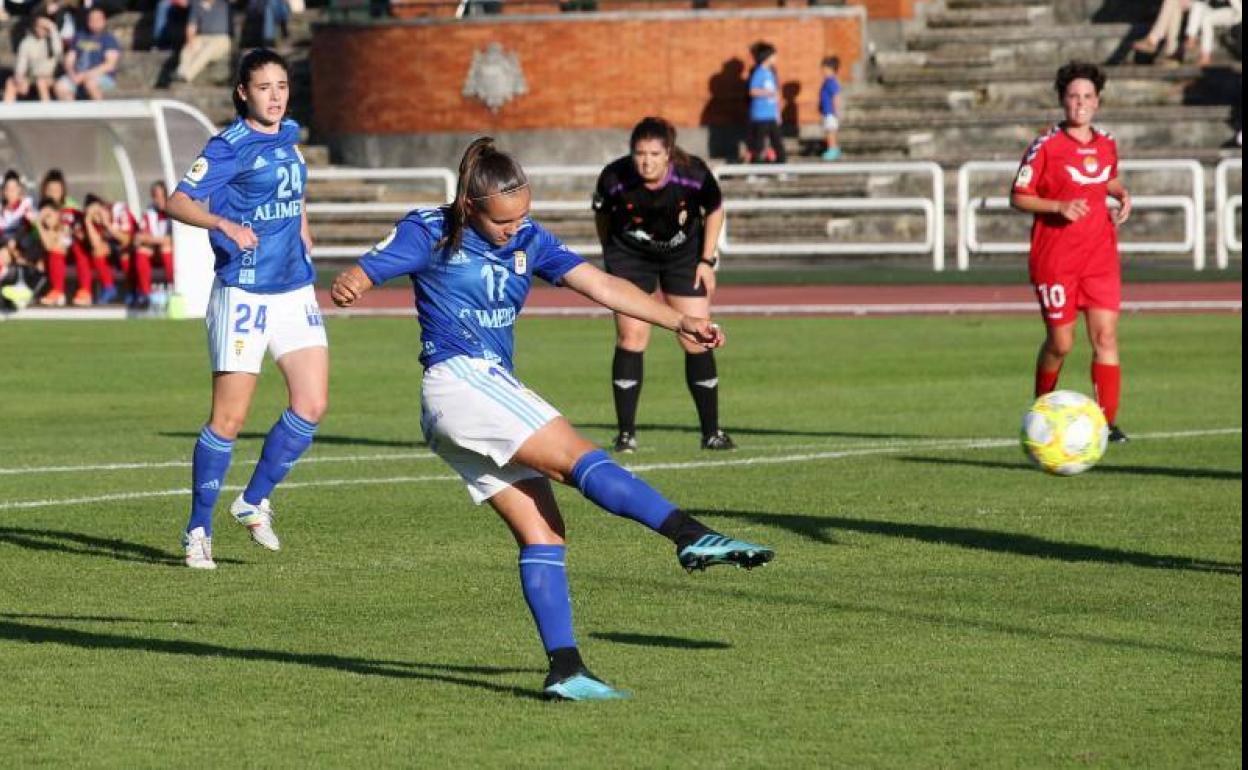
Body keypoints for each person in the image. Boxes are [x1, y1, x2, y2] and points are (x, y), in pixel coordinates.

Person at [329, 137, 774, 702]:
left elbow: (603, 285)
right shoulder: (432, 230)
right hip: (461, 380)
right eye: (503, 220)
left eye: (522, 215)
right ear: (469, 206)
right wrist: (354, 281)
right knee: (577, 457)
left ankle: (566, 669)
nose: (515, 227)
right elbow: (366, 268)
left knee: (544, 531)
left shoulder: (530, 239)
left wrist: (677, 321)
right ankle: (690, 534)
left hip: (468, 400)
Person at [165, 48, 327, 570]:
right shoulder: (228, 146)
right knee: (230, 418)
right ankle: (198, 529)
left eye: (282, 85)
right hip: (245, 292)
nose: (275, 97)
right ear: (243, 92)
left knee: (311, 403)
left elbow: (294, 194)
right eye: (264, 87)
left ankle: (253, 500)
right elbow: (178, 200)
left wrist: (303, 230)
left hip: (294, 289)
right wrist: (224, 225)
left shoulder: (289, 135)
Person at [592, 117, 734, 453]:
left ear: (668, 153)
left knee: (696, 337)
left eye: (654, 154)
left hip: (683, 257)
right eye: (640, 153)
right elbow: (602, 215)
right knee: (632, 336)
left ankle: (711, 433)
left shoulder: (693, 174)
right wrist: (611, 255)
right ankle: (626, 435)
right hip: (631, 257)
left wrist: (707, 260)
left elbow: (715, 210)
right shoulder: (614, 178)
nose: (646, 161)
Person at [1010, 61, 1132, 443]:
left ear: (1098, 102)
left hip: (1100, 257)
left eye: (1087, 96)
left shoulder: (1106, 143)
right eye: (1073, 96)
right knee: (1061, 343)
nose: (1080, 103)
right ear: (1063, 101)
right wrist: (1058, 207)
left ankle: (1107, 425)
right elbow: (1019, 196)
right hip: (1056, 258)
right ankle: (1041, 409)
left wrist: (1120, 193)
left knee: (1106, 338)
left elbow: (1104, 177)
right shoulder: (1045, 146)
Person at [38, 169, 95, 306]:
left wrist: (70, 231)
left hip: (74, 248)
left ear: (63, 191)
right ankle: (57, 291)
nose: (54, 194)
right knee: (57, 246)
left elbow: (80, 229)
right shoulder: (42, 209)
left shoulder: (71, 207)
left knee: (78, 248)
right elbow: (40, 237)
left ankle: (85, 291)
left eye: (57, 190)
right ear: (45, 191)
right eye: (50, 190)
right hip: (53, 249)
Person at [54, 6, 121, 101]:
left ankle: (100, 110)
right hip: (77, 75)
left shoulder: (109, 39)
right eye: (91, 19)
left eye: (98, 19)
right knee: (60, 86)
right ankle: (73, 110)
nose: (94, 22)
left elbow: (109, 65)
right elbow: (69, 60)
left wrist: (84, 76)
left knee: (90, 84)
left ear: (104, 21)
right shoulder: (79, 36)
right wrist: (72, 74)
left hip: (101, 76)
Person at [132, 180, 174, 309]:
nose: (159, 200)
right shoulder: (149, 212)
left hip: (171, 253)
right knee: (142, 251)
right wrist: (154, 240)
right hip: (154, 252)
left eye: (162, 196)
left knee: (166, 248)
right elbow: (138, 239)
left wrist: (150, 239)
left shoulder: (175, 211)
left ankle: (173, 289)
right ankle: (145, 295)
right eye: (156, 196)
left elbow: (172, 240)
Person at [3, 14, 64, 103]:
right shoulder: (27, 42)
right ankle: (7, 110)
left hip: (51, 77)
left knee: (41, 82)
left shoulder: (53, 40)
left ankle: (47, 109)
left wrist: (52, 29)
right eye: (39, 26)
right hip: (32, 77)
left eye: (44, 27)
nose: (41, 29)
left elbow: (58, 52)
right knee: (11, 82)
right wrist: (19, 76)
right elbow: (22, 62)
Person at [174, 0, 232, 84]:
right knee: (187, 48)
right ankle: (180, 72)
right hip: (202, 37)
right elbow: (191, 26)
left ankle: (187, 75)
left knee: (208, 49)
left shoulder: (224, 3)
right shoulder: (197, 5)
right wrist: (190, 43)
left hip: (221, 38)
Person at [746, 41, 785, 164]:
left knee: (778, 143)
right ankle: (755, 169)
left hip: (771, 115)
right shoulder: (759, 72)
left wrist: (778, 114)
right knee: (759, 144)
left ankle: (782, 167)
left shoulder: (771, 73)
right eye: (774, 56)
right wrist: (768, 92)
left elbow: (776, 96)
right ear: (766, 57)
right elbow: (752, 91)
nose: (776, 58)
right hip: (760, 116)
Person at [1183, 0, 1242, 65]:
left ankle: (1206, 56)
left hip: (1233, 12)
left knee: (1207, 20)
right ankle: (1191, 38)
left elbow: (1238, 7)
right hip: (1216, 10)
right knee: (1197, 6)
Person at [819, 56, 843, 161]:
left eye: (825, 69)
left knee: (830, 131)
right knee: (829, 130)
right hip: (827, 112)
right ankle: (834, 148)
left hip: (831, 112)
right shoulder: (827, 81)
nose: (823, 72)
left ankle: (832, 149)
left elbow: (836, 96)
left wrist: (836, 110)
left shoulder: (831, 82)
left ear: (831, 69)